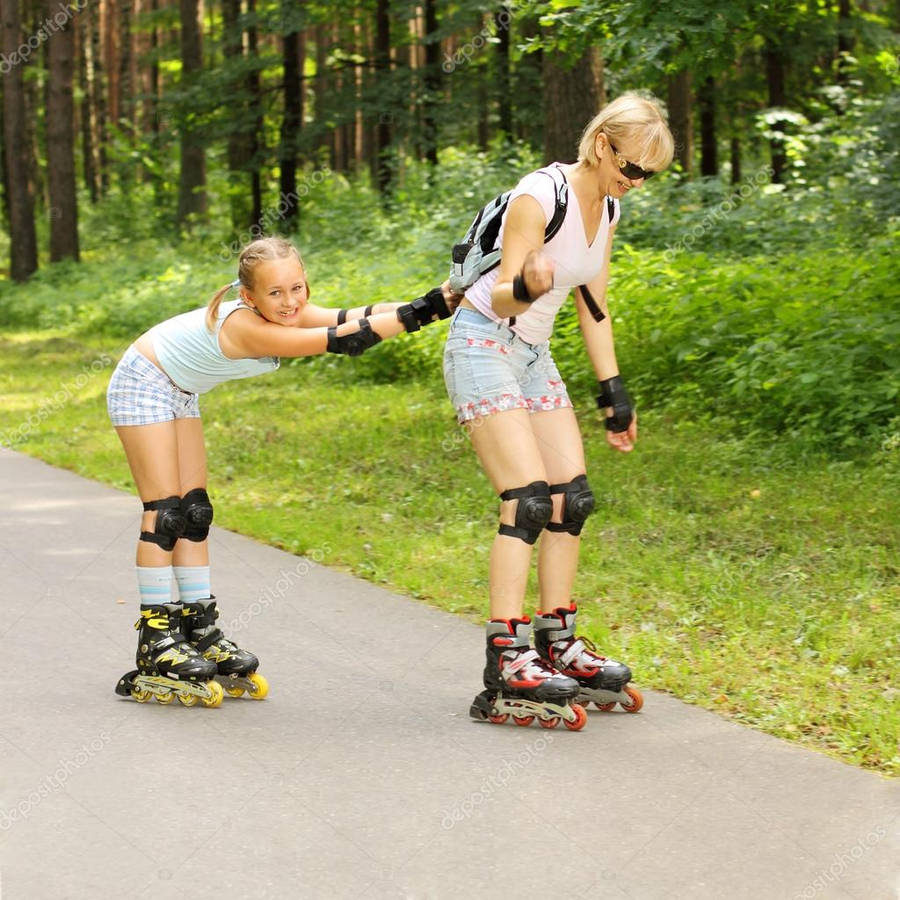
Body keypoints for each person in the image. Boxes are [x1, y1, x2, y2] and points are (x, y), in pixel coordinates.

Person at [110, 236, 456, 707]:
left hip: (180, 390)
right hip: (143, 382)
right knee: (165, 512)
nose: (291, 302)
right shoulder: (246, 327)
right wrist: (424, 311)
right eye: (275, 293)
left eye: (298, 288)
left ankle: (200, 628)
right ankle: (155, 639)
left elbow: (348, 315)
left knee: (195, 511)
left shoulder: (286, 309)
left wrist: (438, 301)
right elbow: (344, 339)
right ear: (248, 297)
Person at [443, 93, 674, 729]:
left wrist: (614, 393)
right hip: (484, 340)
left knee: (573, 498)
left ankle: (557, 642)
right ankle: (506, 658)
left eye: (650, 175)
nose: (638, 183)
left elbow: (594, 306)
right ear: (603, 145)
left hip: (534, 354)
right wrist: (530, 283)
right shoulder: (540, 196)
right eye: (633, 168)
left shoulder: (611, 206)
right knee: (528, 499)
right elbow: (505, 294)